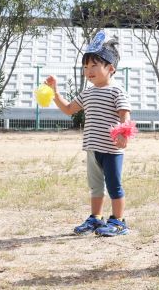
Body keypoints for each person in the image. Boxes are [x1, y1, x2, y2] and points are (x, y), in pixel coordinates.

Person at [46, 31, 133, 237]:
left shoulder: (116, 91)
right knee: (95, 187)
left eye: (94, 65)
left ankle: (119, 221)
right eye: (86, 66)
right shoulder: (87, 93)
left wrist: (124, 134)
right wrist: (54, 92)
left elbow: (125, 114)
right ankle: (95, 217)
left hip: (111, 150)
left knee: (114, 185)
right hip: (93, 149)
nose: (88, 70)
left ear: (110, 68)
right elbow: (68, 109)